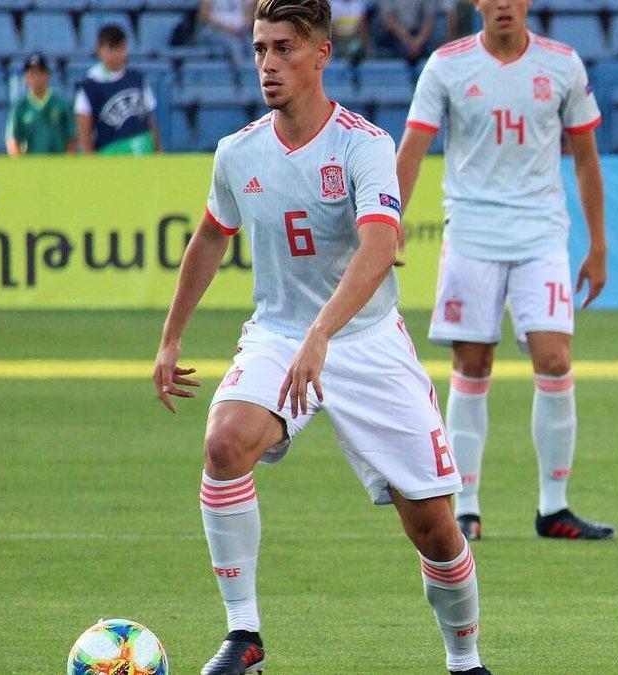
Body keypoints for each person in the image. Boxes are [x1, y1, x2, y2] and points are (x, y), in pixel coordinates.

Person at [151, 1, 490, 673]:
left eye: (282, 49)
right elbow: (212, 235)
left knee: (435, 528)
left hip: (365, 343)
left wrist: (323, 336)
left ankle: (465, 659)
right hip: (280, 335)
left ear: (320, 54)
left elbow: (380, 244)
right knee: (223, 443)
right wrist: (170, 339)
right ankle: (243, 634)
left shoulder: (362, 145)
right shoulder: (238, 152)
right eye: (258, 50)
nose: (268, 65)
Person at [397, 0, 614, 541]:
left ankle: (553, 506)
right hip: (472, 232)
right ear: (477, 4)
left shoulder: (562, 65)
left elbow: (586, 158)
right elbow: (413, 148)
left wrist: (599, 245)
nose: (501, 5)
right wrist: (389, 219)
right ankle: (465, 506)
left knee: (555, 355)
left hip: (541, 232)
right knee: (472, 365)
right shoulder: (447, 65)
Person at [75, 25, 163, 155]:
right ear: (100, 50)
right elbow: (84, 130)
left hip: (143, 149)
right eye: (111, 49)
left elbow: (150, 119)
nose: (117, 54)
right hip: (111, 153)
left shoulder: (137, 79)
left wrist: (158, 150)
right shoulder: (90, 86)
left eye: (120, 48)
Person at [6, 52, 75, 156]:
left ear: (48, 75)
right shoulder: (21, 107)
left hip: (57, 164)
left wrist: (67, 161)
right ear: (25, 77)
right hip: (30, 166)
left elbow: (72, 137)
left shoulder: (62, 104)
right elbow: (13, 139)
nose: (36, 77)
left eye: (40, 72)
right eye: (31, 73)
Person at [198, 0, 255, 67]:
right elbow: (204, 16)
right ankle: (242, 73)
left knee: (253, 44)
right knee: (234, 44)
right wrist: (223, 28)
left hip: (240, 31)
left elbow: (249, 16)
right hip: (215, 30)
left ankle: (254, 73)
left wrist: (241, 29)